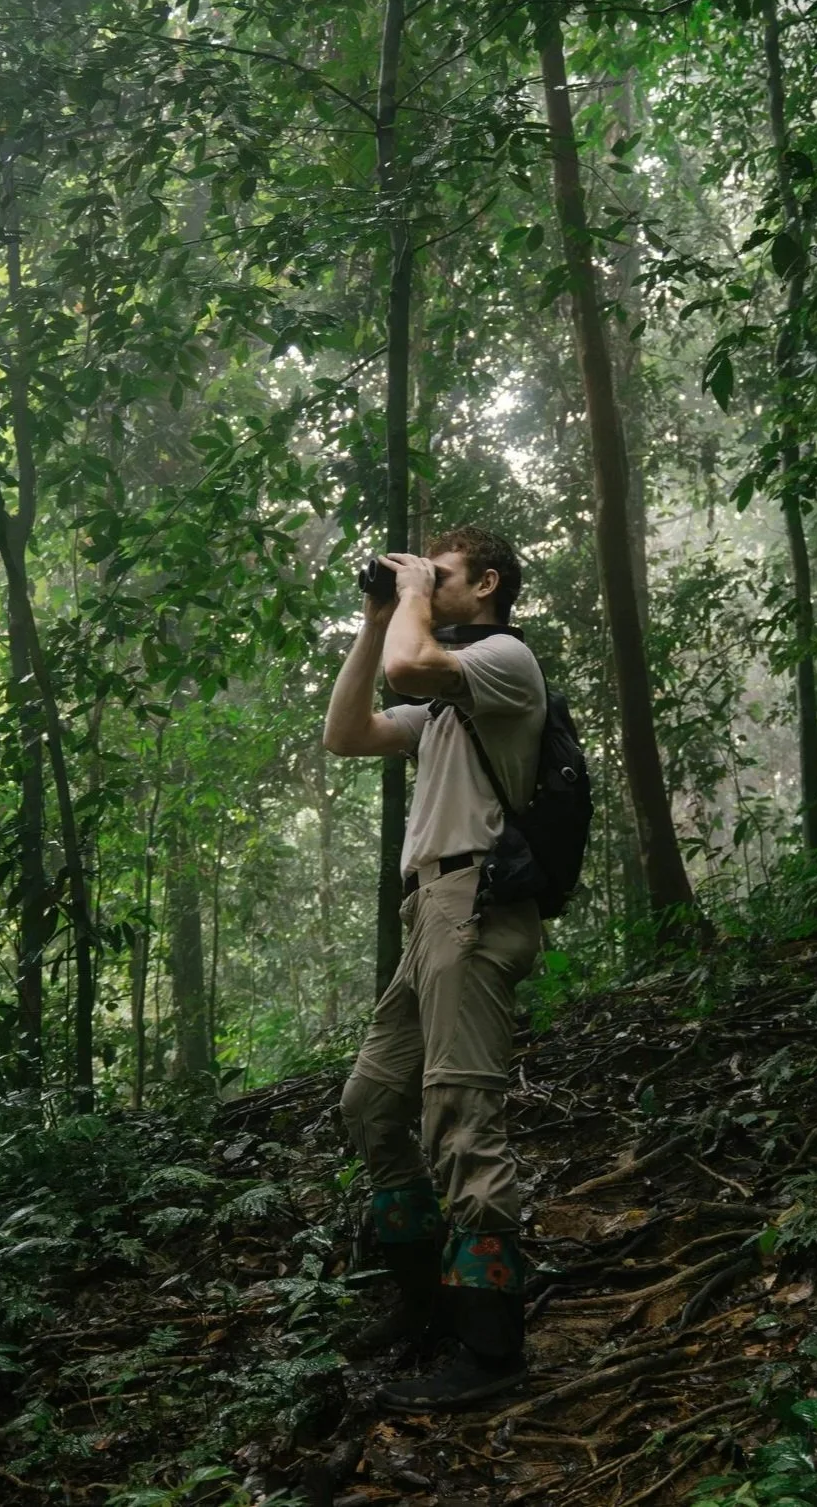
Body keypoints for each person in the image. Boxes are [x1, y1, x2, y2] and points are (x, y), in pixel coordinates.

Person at [322, 526, 545, 1411]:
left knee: (460, 1113)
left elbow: (412, 670)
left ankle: (491, 1350)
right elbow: (348, 730)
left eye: (442, 574)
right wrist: (382, 615)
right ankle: (425, 1304)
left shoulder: (504, 662)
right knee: (373, 1102)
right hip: (429, 912)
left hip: (477, 906)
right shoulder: (449, 705)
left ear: (485, 585)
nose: (425, 582)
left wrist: (411, 600)